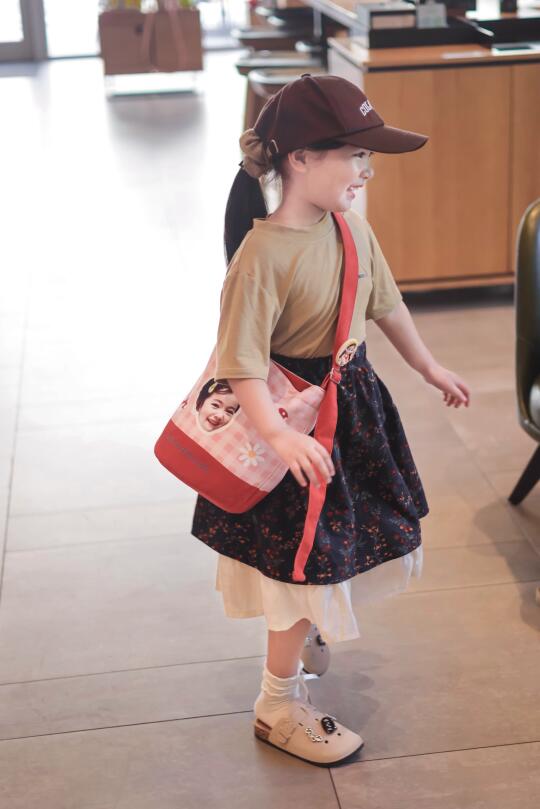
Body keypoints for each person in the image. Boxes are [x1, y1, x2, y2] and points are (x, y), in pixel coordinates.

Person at [190, 74, 471, 766]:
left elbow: (386, 305)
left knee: (333, 546)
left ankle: (305, 636)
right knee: (298, 569)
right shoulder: (261, 257)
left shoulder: (351, 230)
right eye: (355, 155)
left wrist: (429, 366)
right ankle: (277, 704)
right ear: (300, 158)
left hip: (348, 417)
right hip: (292, 429)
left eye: (368, 156)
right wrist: (279, 435)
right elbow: (241, 363)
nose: (366, 170)